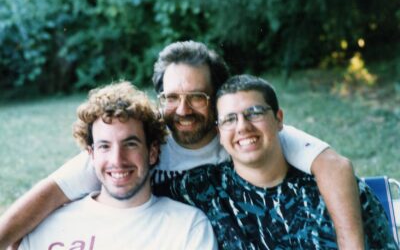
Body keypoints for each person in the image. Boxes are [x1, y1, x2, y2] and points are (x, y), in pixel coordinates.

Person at [0, 41, 363, 249]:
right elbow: (50, 193)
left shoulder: (241, 132)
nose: (183, 110)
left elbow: (334, 166)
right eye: (171, 97)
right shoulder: (137, 146)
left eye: (197, 96)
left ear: (217, 97)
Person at [154, 74, 397, 249]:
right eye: (230, 119)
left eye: (255, 113)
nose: (243, 127)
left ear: (279, 119)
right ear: (219, 131)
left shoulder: (337, 192)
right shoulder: (202, 190)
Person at [17, 81, 217, 250]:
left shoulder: (187, 227)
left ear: (153, 152)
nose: (117, 159)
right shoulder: (47, 226)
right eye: (104, 146)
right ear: (91, 154)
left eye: (130, 144)